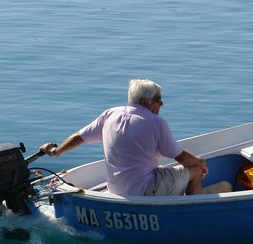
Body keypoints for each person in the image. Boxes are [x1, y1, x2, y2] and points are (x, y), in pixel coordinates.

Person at [39, 79, 208, 196]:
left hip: (116, 189)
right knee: (195, 172)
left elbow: (79, 137)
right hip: (145, 190)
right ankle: (197, 213)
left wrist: (56, 151)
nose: (161, 104)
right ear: (145, 101)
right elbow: (182, 158)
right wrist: (200, 162)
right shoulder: (156, 122)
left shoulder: (109, 114)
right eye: (158, 99)